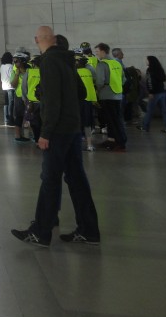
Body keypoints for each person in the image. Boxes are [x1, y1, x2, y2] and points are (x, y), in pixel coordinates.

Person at [11, 26, 101, 247]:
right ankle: (89, 230)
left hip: (58, 130)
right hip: (72, 127)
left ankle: (41, 232)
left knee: (50, 180)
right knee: (77, 179)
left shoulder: (49, 61)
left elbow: (52, 101)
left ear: (38, 40)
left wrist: (46, 132)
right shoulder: (67, 60)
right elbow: (81, 92)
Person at [93, 43, 127, 151]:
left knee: (112, 121)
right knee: (116, 119)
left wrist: (97, 90)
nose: (96, 54)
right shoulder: (116, 63)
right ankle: (111, 140)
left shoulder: (102, 64)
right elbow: (123, 79)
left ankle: (120, 143)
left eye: (97, 51)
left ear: (103, 51)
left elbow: (100, 82)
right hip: (117, 94)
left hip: (106, 95)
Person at [141, 55, 166, 134]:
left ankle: (145, 127)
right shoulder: (160, 69)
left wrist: (151, 92)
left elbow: (149, 81)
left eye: (147, 60)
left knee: (149, 111)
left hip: (154, 93)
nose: (145, 61)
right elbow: (163, 79)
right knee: (164, 111)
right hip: (162, 92)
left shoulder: (149, 70)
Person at [0, 51, 15, 126]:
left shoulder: (2, 66)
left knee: (6, 103)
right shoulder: (10, 66)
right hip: (10, 87)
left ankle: (6, 119)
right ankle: (10, 118)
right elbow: (12, 77)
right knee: (11, 103)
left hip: (4, 86)